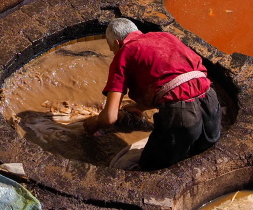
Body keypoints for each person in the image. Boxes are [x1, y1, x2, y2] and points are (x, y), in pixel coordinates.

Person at [84, 18, 221, 169]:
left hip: (182, 116)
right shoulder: (166, 36)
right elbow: (175, 80)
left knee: (149, 169)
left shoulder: (125, 52)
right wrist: (140, 107)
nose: (114, 53)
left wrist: (96, 124)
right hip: (211, 102)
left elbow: (109, 118)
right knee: (200, 160)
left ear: (116, 43)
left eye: (112, 49)